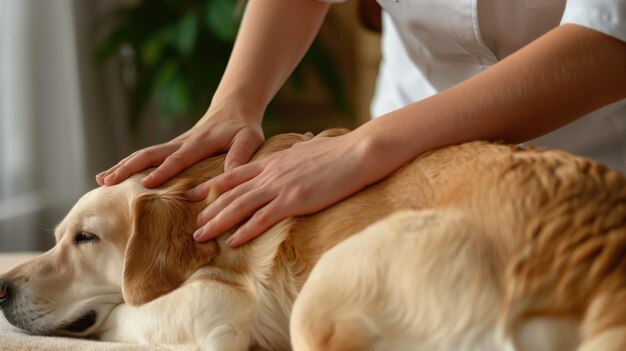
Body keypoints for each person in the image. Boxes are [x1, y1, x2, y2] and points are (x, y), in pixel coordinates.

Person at [96, 0, 626, 248]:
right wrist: (233, 104)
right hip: (410, 163)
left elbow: (607, 43)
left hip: (600, 165)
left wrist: (366, 148)